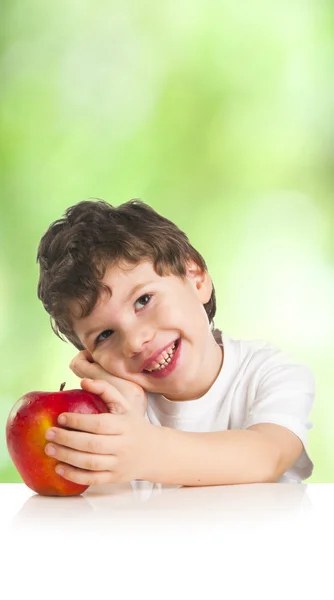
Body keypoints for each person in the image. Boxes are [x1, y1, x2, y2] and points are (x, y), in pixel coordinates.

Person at [36, 199, 315, 487]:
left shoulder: (270, 373)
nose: (134, 341)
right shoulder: (115, 414)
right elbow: (100, 518)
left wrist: (145, 451)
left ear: (195, 278)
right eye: (105, 335)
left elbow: (266, 458)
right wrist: (125, 411)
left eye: (143, 300)